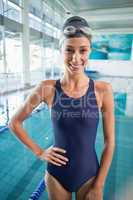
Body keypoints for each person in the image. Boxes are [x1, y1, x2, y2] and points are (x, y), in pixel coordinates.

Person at [9, 16, 115, 200]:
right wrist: (39, 151)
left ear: (89, 51)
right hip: (56, 176)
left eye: (82, 50)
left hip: (90, 176)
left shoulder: (102, 90)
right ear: (60, 51)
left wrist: (99, 185)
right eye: (69, 50)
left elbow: (109, 142)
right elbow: (14, 122)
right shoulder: (46, 88)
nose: (76, 58)